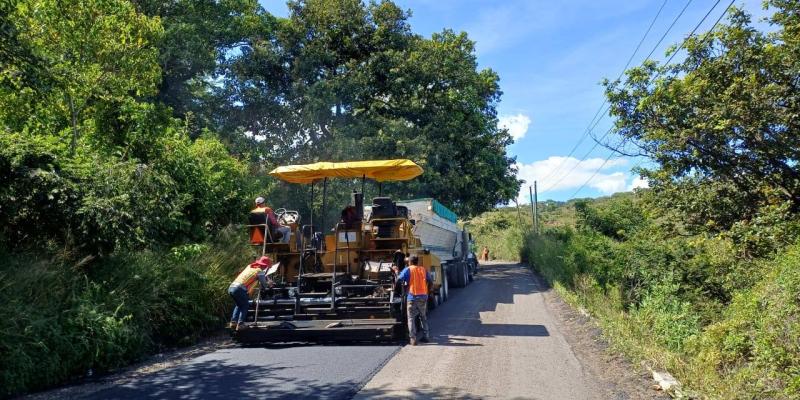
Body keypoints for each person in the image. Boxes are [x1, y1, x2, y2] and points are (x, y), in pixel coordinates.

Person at [392, 255, 432, 345]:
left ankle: (413, 339)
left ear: (410, 262)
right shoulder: (423, 269)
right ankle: (426, 336)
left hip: (412, 297)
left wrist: (396, 271)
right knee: (423, 317)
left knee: (411, 318)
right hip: (423, 297)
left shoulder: (408, 269)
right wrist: (427, 291)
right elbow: (430, 281)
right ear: (417, 262)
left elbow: (399, 279)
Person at [229, 256, 272, 330]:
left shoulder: (250, 266)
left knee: (239, 305)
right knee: (245, 305)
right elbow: (264, 285)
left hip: (231, 287)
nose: (266, 268)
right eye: (266, 267)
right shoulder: (259, 271)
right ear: (265, 266)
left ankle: (233, 322)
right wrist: (269, 283)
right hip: (239, 289)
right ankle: (240, 324)